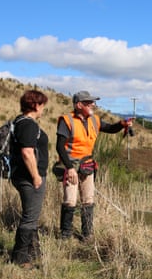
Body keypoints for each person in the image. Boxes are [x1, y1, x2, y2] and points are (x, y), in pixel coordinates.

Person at [56, 90, 132, 241]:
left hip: (87, 165)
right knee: (70, 201)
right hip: (70, 165)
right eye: (89, 102)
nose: (93, 105)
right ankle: (65, 236)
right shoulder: (67, 120)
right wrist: (70, 168)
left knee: (88, 200)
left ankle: (87, 235)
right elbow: (59, 147)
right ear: (79, 105)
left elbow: (110, 129)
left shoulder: (94, 120)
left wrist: (122, 124)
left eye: (93, 102)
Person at [10, 90, 49, 269]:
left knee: (31, 216)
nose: (43, 109)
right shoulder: (28, 124)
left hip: (22, 176)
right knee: (30, 218)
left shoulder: (18, 121)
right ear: (35, 105)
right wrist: (36, 176)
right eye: (42, 105)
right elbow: (27, 152)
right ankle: (20, 259)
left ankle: (34, 253)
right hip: (29, 178)